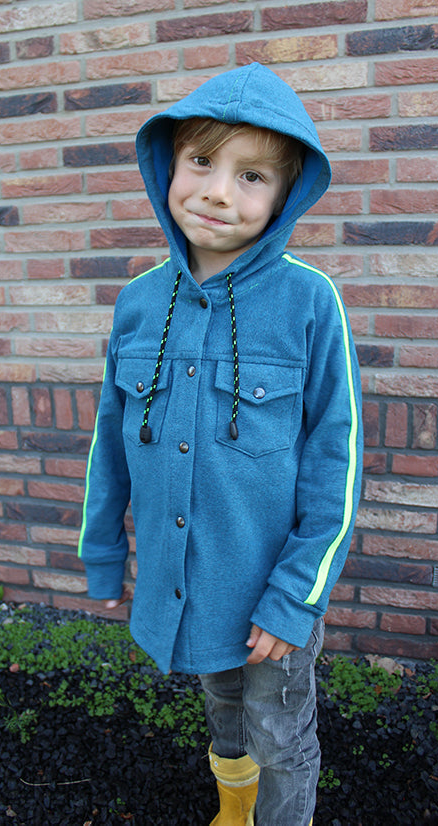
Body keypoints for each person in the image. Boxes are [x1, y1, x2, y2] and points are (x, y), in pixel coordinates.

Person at [78, 62, 363, 826]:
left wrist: (294, 598)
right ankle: (232, 812)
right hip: (189, 585)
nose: (217, 192)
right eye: (201, 161)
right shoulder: (138, 303)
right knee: (221, 707)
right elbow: (110, 443)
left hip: (271, 594)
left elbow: (336, 468)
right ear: (167, 164)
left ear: (286, 193)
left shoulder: (310, 302)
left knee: (279, 735)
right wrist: (103, 552)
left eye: (252, 176)